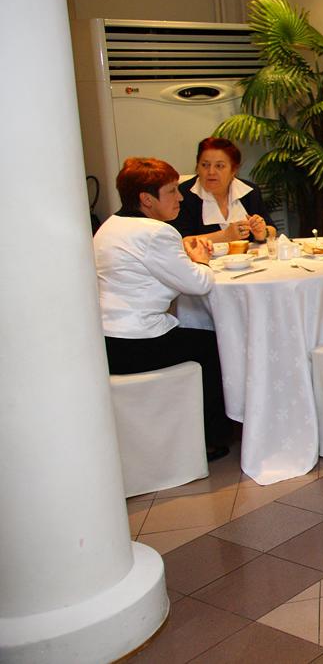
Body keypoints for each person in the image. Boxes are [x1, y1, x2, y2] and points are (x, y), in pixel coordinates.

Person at [95, 157, 232, 460]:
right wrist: (201, 261)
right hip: (137, 342)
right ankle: (211, 436)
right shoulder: (156, 232)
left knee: (197, 338)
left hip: (106, 340)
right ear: (146, 199)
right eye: (171, 191)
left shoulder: (110, 225)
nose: (180, 197)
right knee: (213, 345)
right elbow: (198, 283)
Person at [172, 138, 276, 243]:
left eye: (219, 166)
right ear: (197, 166)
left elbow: (271, 229)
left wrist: (262, 232)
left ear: (234, 170)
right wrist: (225, 236)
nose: (211, 172)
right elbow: (179, 241)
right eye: (205, 165)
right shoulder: (182, 194)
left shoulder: (249, 191)